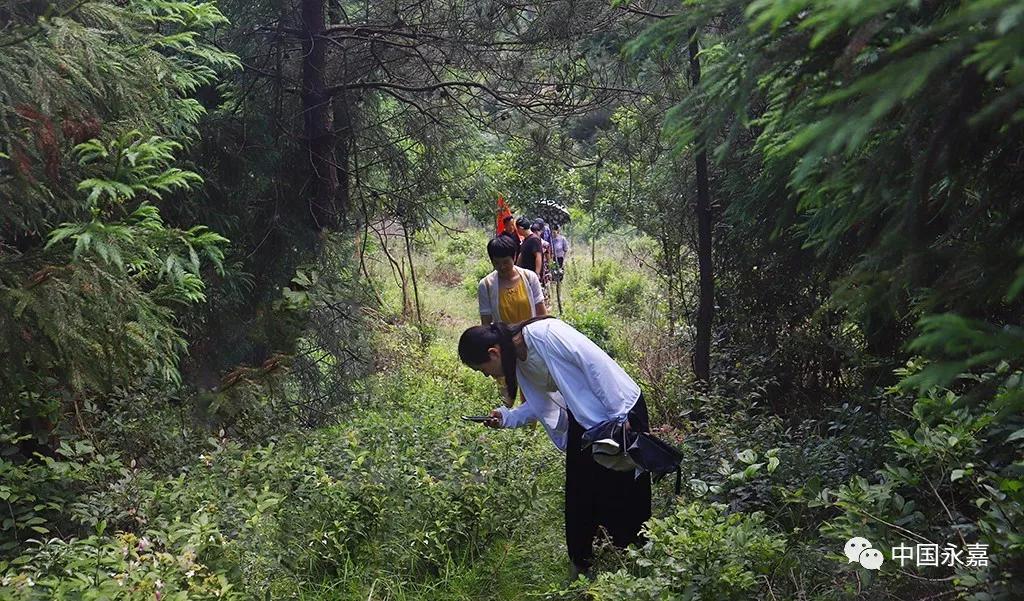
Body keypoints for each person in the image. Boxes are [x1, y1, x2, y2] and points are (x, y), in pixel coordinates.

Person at [457, 317, 652, 578]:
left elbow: (595, 367)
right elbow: (541, 404)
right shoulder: (519, 360)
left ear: (493, 353)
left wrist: (621, 417)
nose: (486, 375)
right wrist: (507, 418)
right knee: (581, 494)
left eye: (483, 369)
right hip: (586, 420)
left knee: (624, 487)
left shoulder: (546, 334)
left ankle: (634, 560)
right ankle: (585, 565)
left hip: (620, 409)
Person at [477, 235, 546, 326]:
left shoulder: (529, 277)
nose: (502, 267)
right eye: (496, 263)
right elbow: (486, 322)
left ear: (514, 257)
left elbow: (541, 313)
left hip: (530, 336)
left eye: (506, 262)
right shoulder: (486, 285)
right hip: (503, 338)